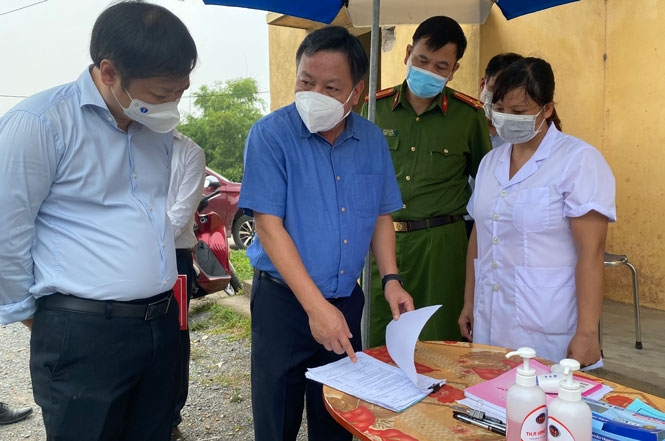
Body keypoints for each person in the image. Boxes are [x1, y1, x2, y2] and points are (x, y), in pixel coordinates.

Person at [0, 2, 197, 440]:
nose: (172, 103)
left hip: (160, 324)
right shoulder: (39, 124)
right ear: (109, 72)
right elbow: (7, 234)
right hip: (81, 334)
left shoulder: (155, 129)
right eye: (161, 93)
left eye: (180, 91)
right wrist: (48, 324)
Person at [238, 26, 415, 441]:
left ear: (357, 92)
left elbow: (381, 215)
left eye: (331, 87)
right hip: (284, 303)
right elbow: (268, 225)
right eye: (306, 82)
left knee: (337, 419)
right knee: (277, 417)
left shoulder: (371, 140)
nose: (314, 94)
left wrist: (391, 279)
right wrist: (316, 308)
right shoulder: (270, 135)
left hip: (345, 301)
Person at [457, 57, 616, 366]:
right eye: (500, 109)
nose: (506, 118)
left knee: (543, 393)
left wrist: (587, 332)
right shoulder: (490, 162)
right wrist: (469, 301)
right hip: (490, 316)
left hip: (548, 324)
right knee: (489, 389)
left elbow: (592, 252)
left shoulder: (578, 160)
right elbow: (480, 233)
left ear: (547, 110)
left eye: (518, 112)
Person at [363, 16, 492, 347]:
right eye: (421, 60)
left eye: (440, 66)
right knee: (378, 340)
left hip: (442, 247)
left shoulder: (468, 117)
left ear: (454, 69)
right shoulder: (373, 110)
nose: (428, 70)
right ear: (408, 53)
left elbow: (489, 183)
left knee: (440, 343)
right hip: (382, 243)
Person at [167, 130, 206, 428]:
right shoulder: (117, 141)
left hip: (174, 257)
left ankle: (171, 413)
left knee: (174, 336)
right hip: (123, 259)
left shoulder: (189, 152)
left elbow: (180, 216)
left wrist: (132, 240)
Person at [479, 52, 524, 148]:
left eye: (510, 93)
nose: (501, 99)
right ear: (483, 84)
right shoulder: (463, 124)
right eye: (496, 89)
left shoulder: (525, 134)